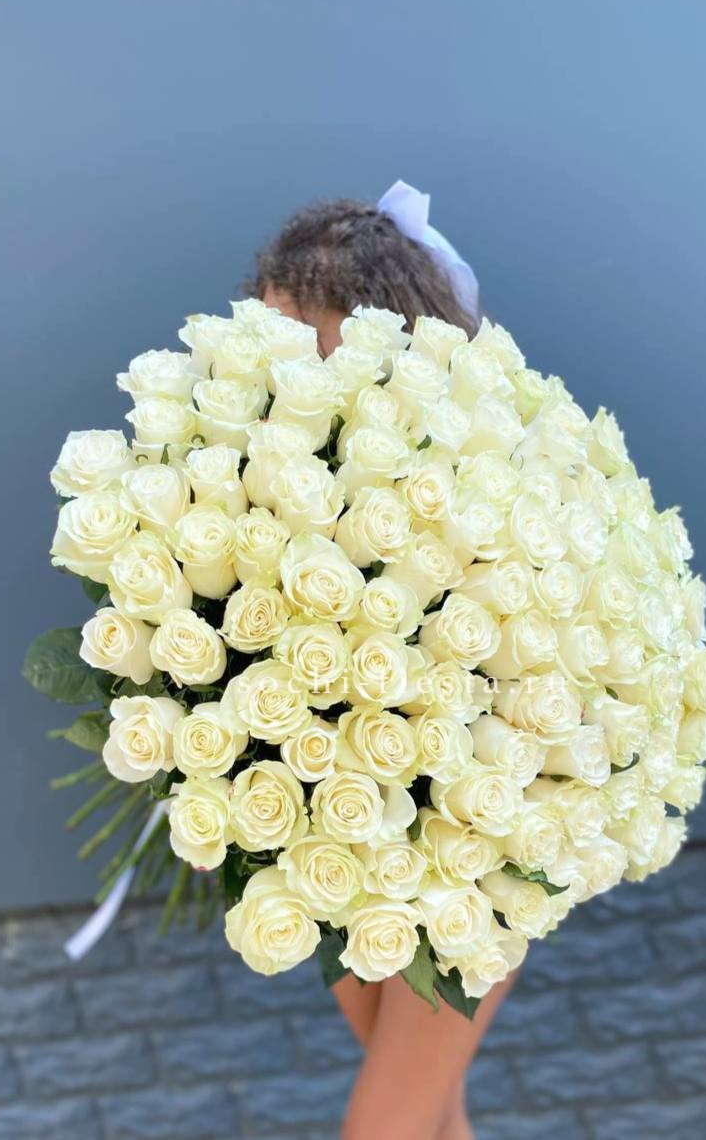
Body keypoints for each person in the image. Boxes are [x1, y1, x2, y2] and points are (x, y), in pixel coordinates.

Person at [242, 186, 519, 1140]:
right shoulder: (269, 468)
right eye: (264, 321)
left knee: (385, 1128)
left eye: (303, 329)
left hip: (467, 863)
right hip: (341, 850)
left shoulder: (472, 475)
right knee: (434, 1122)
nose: (275, 350)